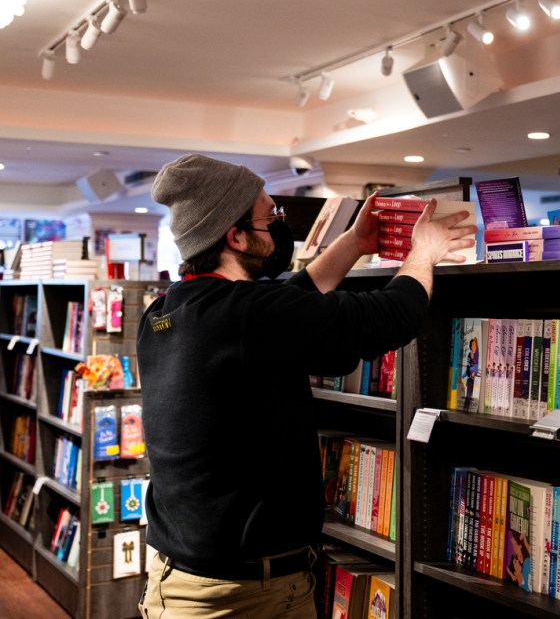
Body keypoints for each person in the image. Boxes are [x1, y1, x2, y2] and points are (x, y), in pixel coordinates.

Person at [136, 154, 475, 617]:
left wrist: (354, 243)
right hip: (238, 598)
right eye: (269, 214)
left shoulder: (167, 312)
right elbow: (388, 318)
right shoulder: (247, 314)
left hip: (191, 581)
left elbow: (288, 303)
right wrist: (424, 252)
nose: (279, 222)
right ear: (234, 236)